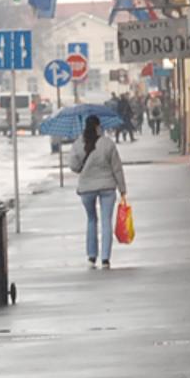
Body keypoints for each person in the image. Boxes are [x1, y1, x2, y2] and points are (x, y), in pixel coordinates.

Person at [69, 114, 127, 269]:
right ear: (97, 126)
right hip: (107, 187)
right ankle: (106, 259)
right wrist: (122, 189)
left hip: (87, 188)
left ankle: (91, 257)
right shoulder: (108, 144)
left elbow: (74, 166)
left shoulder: (77, 145)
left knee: (91, 220)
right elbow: (117, 168)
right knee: (106, 221)